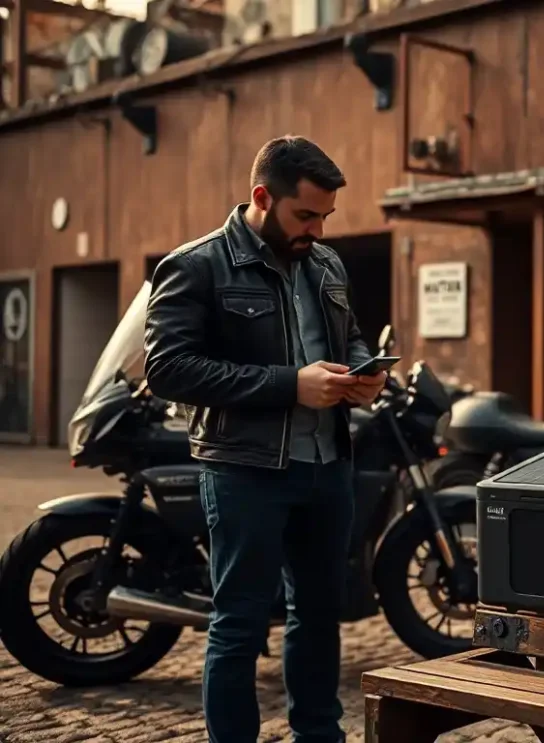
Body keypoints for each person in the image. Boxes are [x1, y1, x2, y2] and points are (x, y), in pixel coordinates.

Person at [143, 136, 386, 743]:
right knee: (240, 625)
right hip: (244, 471)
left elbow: (349, 335)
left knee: (319, 616)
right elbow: (168, 368)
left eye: (326, 217)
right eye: (306, 215)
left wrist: (364, 372)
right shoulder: (197, 264)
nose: (317, 230)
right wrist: (289, 386)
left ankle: (319, 737)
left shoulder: (327, 264)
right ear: (261, 197)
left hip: (328, 466)